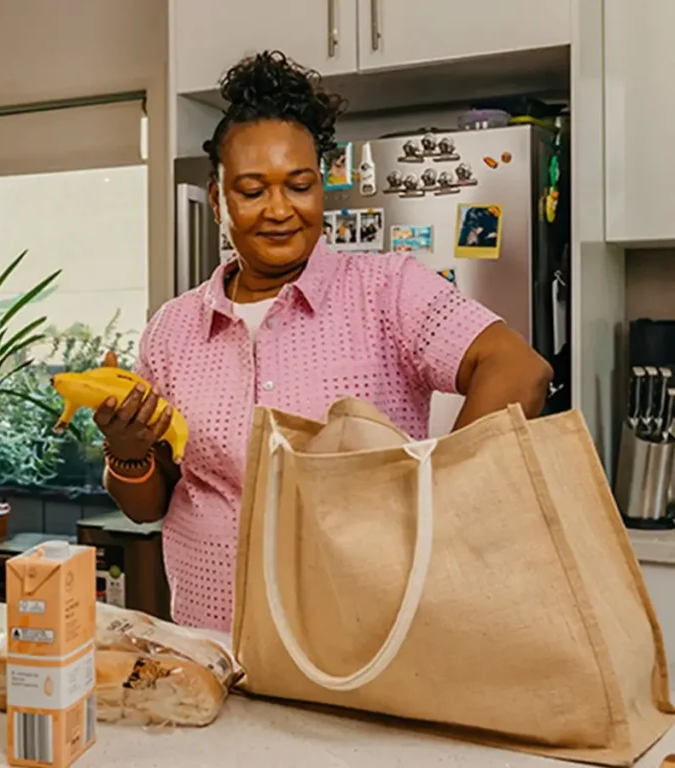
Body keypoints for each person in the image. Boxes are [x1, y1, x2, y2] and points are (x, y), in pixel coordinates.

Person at [93, 51, 552, 633]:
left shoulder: (388, 291)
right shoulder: (174, 328)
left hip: (361, 636)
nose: (280, 210)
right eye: (253, 190)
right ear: (218, 201)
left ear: (323, 189)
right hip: (213, 636)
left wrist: (438, 504)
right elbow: (148, 505)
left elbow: (518, 369)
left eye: (300, 186)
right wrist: (127, 450)